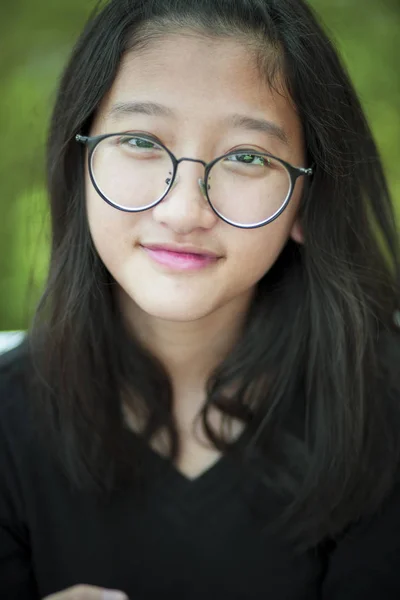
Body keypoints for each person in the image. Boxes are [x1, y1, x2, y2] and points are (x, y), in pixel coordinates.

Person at [1, 0, 400, 598]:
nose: (185, 210)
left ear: (307, 199)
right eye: (140, 139)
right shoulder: (8, 423)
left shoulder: (384, 405)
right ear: (80, 160)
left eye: (247, 157)